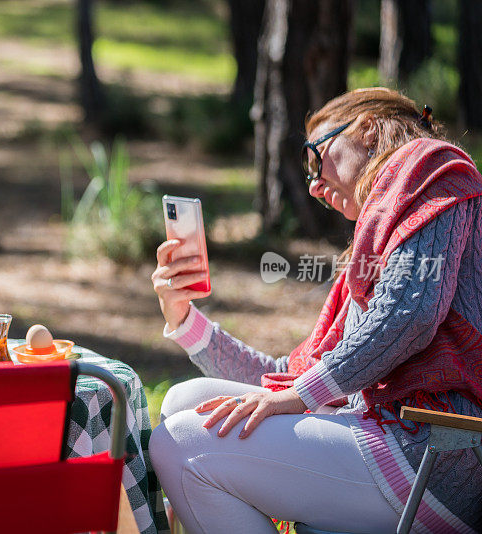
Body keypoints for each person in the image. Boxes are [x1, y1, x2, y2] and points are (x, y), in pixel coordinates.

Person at [149, 87, 482, 534]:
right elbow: (289, 374)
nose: (313, 184)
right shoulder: (375, 250)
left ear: (366, 131)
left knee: (178, 445)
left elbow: (411, 314)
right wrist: (183, 318)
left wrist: (300, 395)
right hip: (387, 431)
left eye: (315, 156)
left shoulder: (431, 170)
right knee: (181, 402)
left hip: (435, 453)